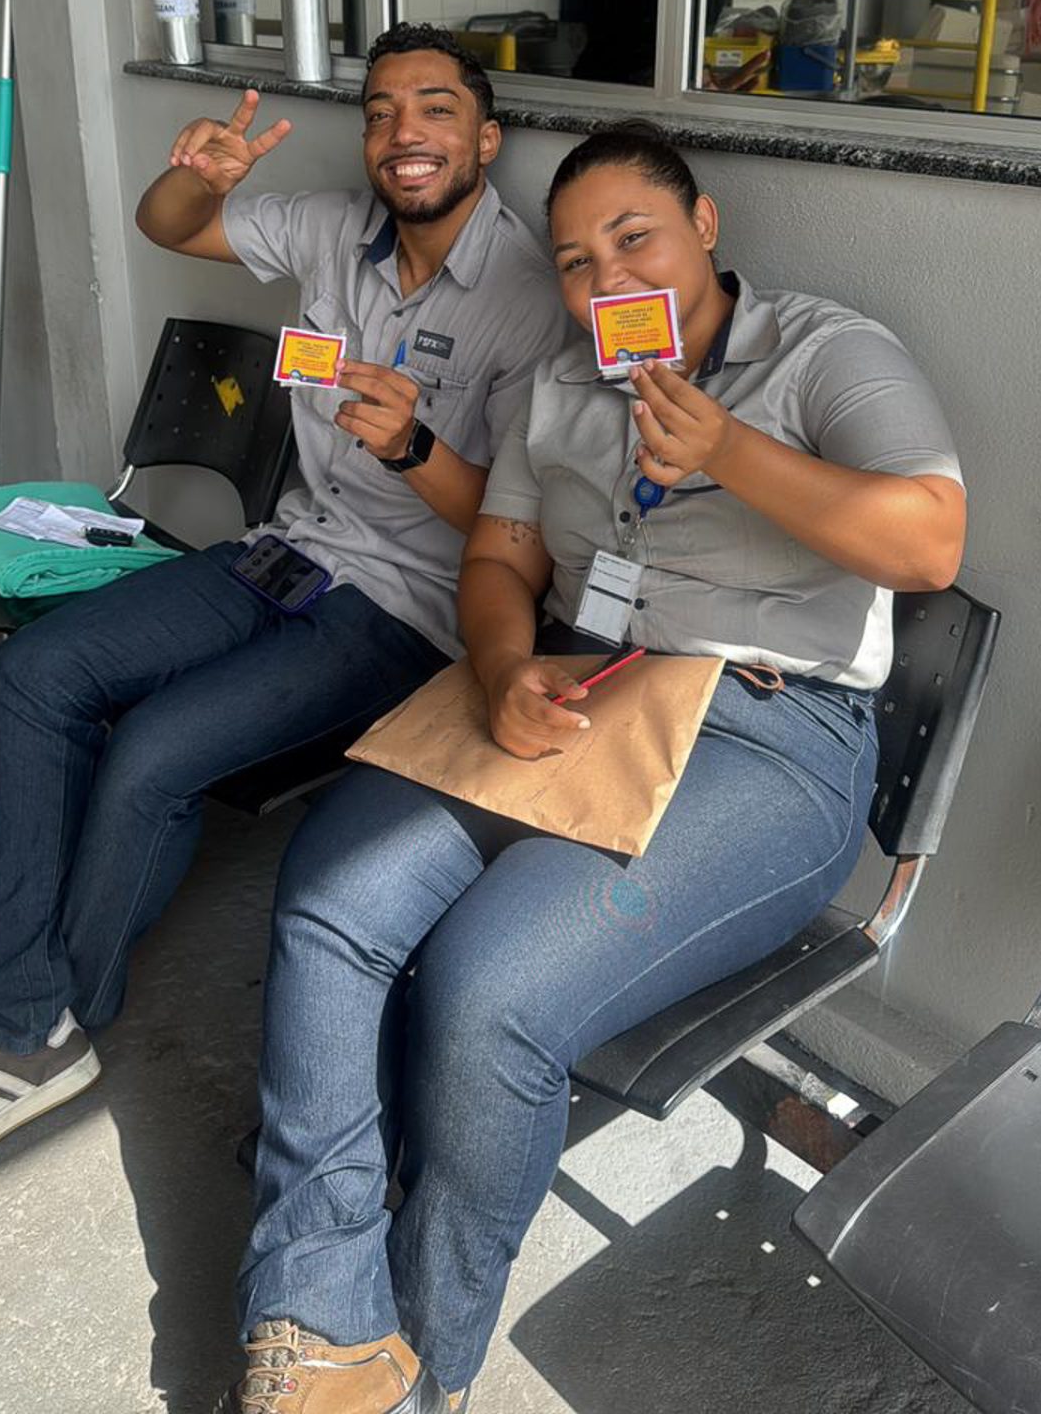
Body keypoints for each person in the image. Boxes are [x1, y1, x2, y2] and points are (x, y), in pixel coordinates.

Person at [219, 122, 967, 1414]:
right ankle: (322, 1315)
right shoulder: (564, 383)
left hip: (767, 736)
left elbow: (930, 540)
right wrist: (505, 664)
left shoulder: (825, 352)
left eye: (635, 238)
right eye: (574, 260)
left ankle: (425, 1366)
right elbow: (501, 557)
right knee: (333, 891)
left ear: (705, 228)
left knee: (488, 985)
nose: (606, 277)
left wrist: (727, 450)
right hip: (581, 689)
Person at [0, 23, 571, 1167]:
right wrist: (196, 178)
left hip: (401, 608)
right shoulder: (331, 227)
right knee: (37, 670)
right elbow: (170, 225)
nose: (404, 133)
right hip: (282, 550)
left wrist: (412, 449)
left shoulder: (532, 300)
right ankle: (10, 994)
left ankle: (41, 1022)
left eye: (437, 110)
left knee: (155, 750)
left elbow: (518, 539)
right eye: (383, 112)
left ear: (486, 139)